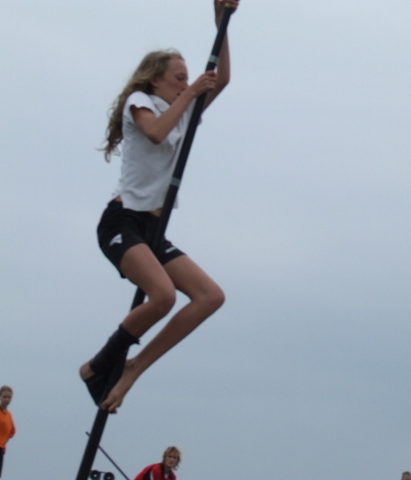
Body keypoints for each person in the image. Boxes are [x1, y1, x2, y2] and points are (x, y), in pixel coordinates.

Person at [80, 0, 239, 412]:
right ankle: (96, 367)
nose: (185, 84)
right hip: (122, 222)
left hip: (152, 228)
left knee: (209, 296)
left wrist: (221, 24)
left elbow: (222, 79)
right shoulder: (141, 102)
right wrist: (192, 94)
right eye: (178, 78)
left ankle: (134, 367)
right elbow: (154, 134)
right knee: (163, 296)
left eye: (187, 79)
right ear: (155, 80)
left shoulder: (181, 112)